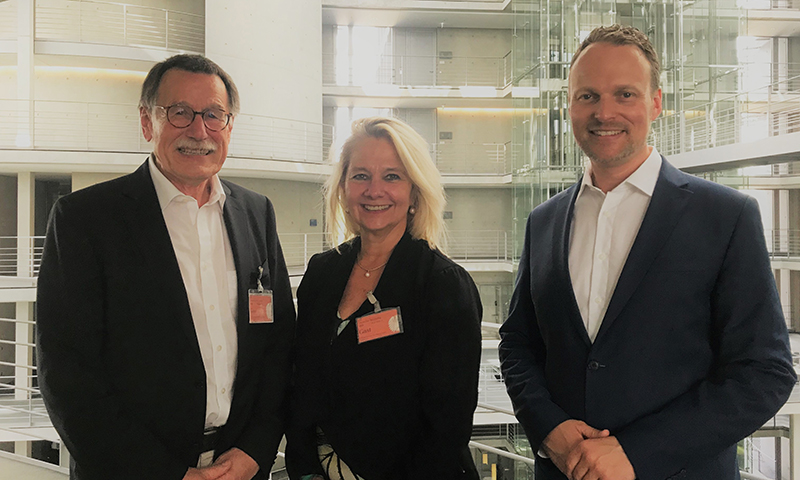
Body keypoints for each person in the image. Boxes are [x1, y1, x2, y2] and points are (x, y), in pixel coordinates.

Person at [499, 24, 796, 480]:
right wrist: (548, 427)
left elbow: (764, 372)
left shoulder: (726, 215)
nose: (605, 113)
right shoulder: (544, 221)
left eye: (625, 94)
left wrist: (636, 452)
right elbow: (519, 344)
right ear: (570, 105)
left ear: (656, 103)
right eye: (588, 96)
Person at [36, 54, 295, 480]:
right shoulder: (85, 219)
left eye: (214, 114)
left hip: (240, 469)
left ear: (229, 126)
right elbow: (67, 375)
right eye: (180, 113)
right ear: (146, 122)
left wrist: (255, 450)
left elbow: (278, 345)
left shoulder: (256, 213)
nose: (199, 131)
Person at [284, 116, 482, 480]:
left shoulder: (443, 285)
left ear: (415, 193)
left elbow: (446, 429)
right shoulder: (322, 272)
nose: (374, 190)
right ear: (343, 188)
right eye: (360, 175)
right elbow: (300, 387)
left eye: (392, 176)